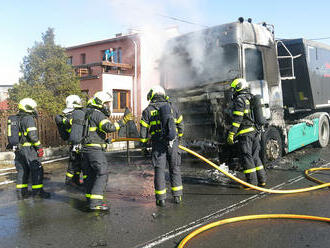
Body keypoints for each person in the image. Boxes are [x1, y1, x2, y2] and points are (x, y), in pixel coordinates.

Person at [82, 91, 132, 211]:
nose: (108, 106)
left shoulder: (87, 113)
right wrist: (123, 121)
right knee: (102, 173)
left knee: (90, 175)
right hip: (95, 150)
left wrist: (104, 141)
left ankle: (90, 199)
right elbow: (109, 127)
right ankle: (96, 203)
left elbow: (92, 133)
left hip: (85, 149)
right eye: (106, 103)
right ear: (100, 103)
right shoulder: (98, 114)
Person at [140, 85, 184, 207]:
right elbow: (181, 125)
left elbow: (143, 130)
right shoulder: (173, 107)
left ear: (153, 95)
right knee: (175, 168)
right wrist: (178, 138)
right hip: (173, 143)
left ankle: (161, 199)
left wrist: (143, 145)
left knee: (159, 170)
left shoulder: (148, 110)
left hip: (158, 144)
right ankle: (177, 196)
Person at [226, 78, 266, 187]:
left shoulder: (239, 100)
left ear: (239, 87)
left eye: (234, 89)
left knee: (246, 157)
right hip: (255, 131)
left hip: (245, 134)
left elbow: (238, 119)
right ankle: (262, 180)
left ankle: (251, 183)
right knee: (255, 156)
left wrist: (231, 133)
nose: (233, 91)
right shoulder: (250, 97)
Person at [14, 98, 50, 199]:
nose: (34, 109)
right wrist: (39, 147)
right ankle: (38, 192)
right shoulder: (28, 118)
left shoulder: (16, 118)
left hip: (18, 148)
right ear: (28, 107)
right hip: (28, 148)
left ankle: (22, 192)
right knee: (36, 169)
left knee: (22, 170)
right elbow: (33, 136)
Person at [55, 95, 85, 187]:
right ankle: (69, 181)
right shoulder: (74, 115)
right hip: (78, 142)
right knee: (74, 163)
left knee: (77, 163)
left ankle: (75, 181)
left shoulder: (67, 115)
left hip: (74, 142)